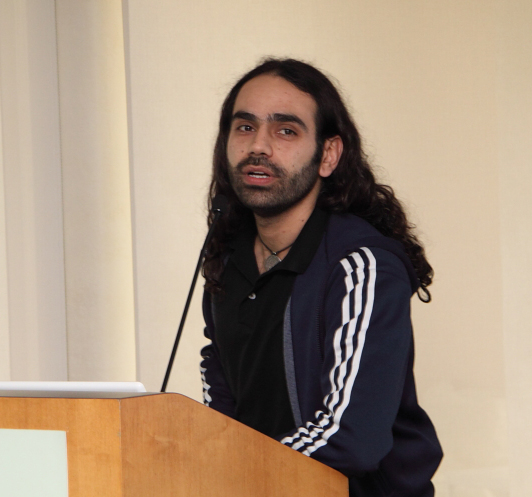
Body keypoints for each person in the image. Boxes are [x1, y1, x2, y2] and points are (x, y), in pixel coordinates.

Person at [199, 58, 442, 497]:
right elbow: (222, 408)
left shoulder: (361, 265)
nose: (260, 147)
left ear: (328, 154)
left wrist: (237, 471)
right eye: (245, 127)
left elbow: (352, 438)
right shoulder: (227, 258)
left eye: (286, 131)